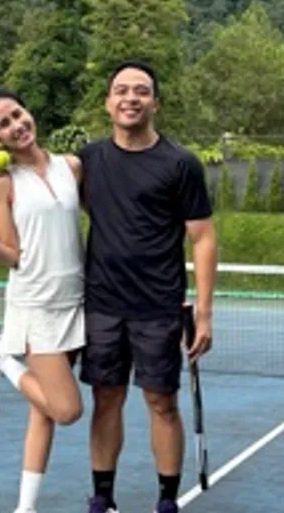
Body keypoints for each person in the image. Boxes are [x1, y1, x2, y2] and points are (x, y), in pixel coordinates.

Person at [78, 60, 217, 513]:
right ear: (108, 102)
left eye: (141, 91)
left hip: (158, 307)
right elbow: (37, 174)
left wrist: (204, 313)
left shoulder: (180, 164)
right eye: (121, 90)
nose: (130, 98)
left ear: (155, 102)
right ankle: (103, 497)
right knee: (106, 399)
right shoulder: (87, 161)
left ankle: (166, 502)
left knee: (161, 402)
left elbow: (203, 238)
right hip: (102, 304)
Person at [0, 90, 86, 513]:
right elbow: (13, 254)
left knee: (42, 411)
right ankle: (1, 359)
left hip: (76, 300)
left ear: (30, 112)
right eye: (4, 124)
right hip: (35, 306)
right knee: (66, 410)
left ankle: (25, 508)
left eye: (17, 114)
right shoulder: (1, 181)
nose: (17, 126)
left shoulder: (71, 166)